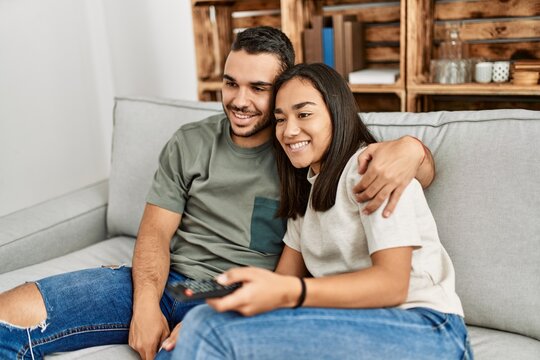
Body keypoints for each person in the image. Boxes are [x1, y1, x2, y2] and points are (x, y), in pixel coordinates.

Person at [0, 27, 434, 360]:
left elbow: (387, 169)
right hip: (163, 280)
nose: (239, 101)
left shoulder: (301, 150)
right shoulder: (191, 142)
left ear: (286, 90)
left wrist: (413, 149)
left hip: (232, 294)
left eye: (259, 89)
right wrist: (146, 304)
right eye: (231, 84)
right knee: (6, 316)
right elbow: (153, 233)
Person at [170, 63, 472, 360]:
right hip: (359, 323)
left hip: (427, 328)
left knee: (210, 331)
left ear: (337, 115)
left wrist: (290, 292)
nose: (289, 131)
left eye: (304, 114)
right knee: (200, 324)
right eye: (280, 119)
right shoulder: (306, 199)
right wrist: (230, 304)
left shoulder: (373, 170)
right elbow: (282, 280)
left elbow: (392, 285)